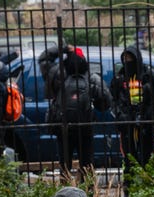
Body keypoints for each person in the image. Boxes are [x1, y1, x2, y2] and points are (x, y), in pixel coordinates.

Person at [47, 46, 112, 178]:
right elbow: (106, 102)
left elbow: (44, 59)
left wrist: (63, 48)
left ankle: (64, 193)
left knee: (65, 165)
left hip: (63, 128)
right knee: (87, 164)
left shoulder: (59, 77)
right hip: (85, 128)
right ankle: (88, 193)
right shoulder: (92, 78)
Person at [110, 45, 154, 174]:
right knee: (129, 160)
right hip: (127, 125)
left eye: (130, 58)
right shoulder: (119, 78)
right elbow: (113, 101)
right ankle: (129, 189)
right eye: (125, 59)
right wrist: (120, 115)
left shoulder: (151, 76)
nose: (128, 62)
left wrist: (152, 117)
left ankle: (149, 187)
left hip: (147, 124)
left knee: (148, 160)